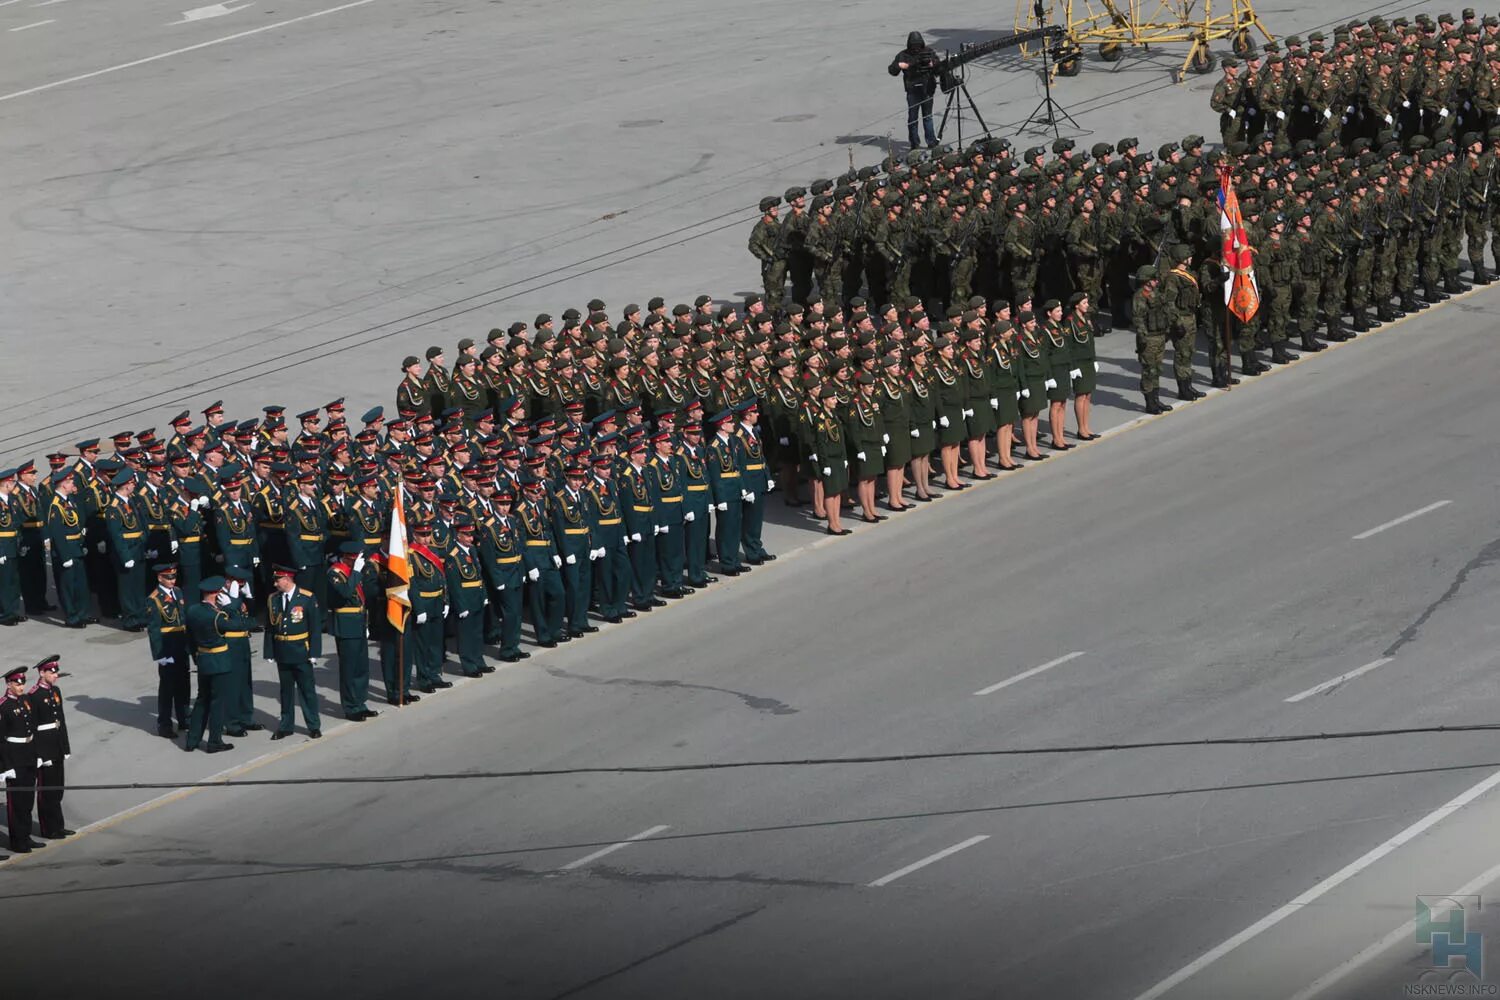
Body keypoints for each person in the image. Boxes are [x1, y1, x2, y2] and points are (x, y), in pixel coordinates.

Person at [184, 576, 241, 753]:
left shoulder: (193, 611)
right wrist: (232, 606)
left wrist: (197, 657)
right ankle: (214, 741)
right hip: (219, 662)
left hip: (203, 660)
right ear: (217, 593)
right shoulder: (217, 616)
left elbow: (190, 639)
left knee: (202, 700)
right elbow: (238, 625)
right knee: (217, 702)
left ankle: (192, 740)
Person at [265, 564, 321, 739]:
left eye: (278, 580)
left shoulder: (306, 598)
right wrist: (270, 652)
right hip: (282, 651)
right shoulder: (273, 599)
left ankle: (313, 725)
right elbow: (270, 628)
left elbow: (315, 628)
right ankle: (286, 725)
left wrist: (314, 652)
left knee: (307, 691)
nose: (275, 584)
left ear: (287, 579)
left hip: (301, 651)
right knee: (286, 691)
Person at [327, 541, 379, 719]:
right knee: (349, 669)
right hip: (345, 624)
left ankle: (360, 702)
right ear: (348, 557)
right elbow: (346, 592)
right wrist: (356, 572)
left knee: (361, 667)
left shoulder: (353, 572)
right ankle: (350, 707)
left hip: (359, 621)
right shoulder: (335, 572)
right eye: (354, 559)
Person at [28, 654, 72, 840]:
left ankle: (58, 826)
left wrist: (65, 747)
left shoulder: (55, 691)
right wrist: (38, 754)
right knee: (46, 791)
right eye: (52, 672)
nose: (55, 675)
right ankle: (48, 828)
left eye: (56, 671)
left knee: (57, 788)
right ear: (42, 672)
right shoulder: (34, 695)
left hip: (57, 746)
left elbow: (60, 720)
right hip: (44, 749)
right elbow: (32, 728)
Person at [146, 562, 191, 738]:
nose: (172, 580)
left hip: (181, 644)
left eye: (174, 576)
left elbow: (182, 618)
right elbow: (154, 630)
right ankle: (164, 724)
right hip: (167, 646)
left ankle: (184, 717)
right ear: (160, 578)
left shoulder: (178, 592)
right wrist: (159, 655)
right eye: (168, 577)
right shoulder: (154, 599)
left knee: (183, 683)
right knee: (167, 688)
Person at [890, 31, 940, 151]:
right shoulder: (903, 55)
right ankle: (914, 142)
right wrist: (899, 66)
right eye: (914, 45)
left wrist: (932, 63)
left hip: (927, 88)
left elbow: (938, 65)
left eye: (918, 45)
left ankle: (931, 141)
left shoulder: (928, 52)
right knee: (913, 118)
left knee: (927, 117)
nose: (916, 48)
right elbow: (892, 70)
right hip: (912, 90)